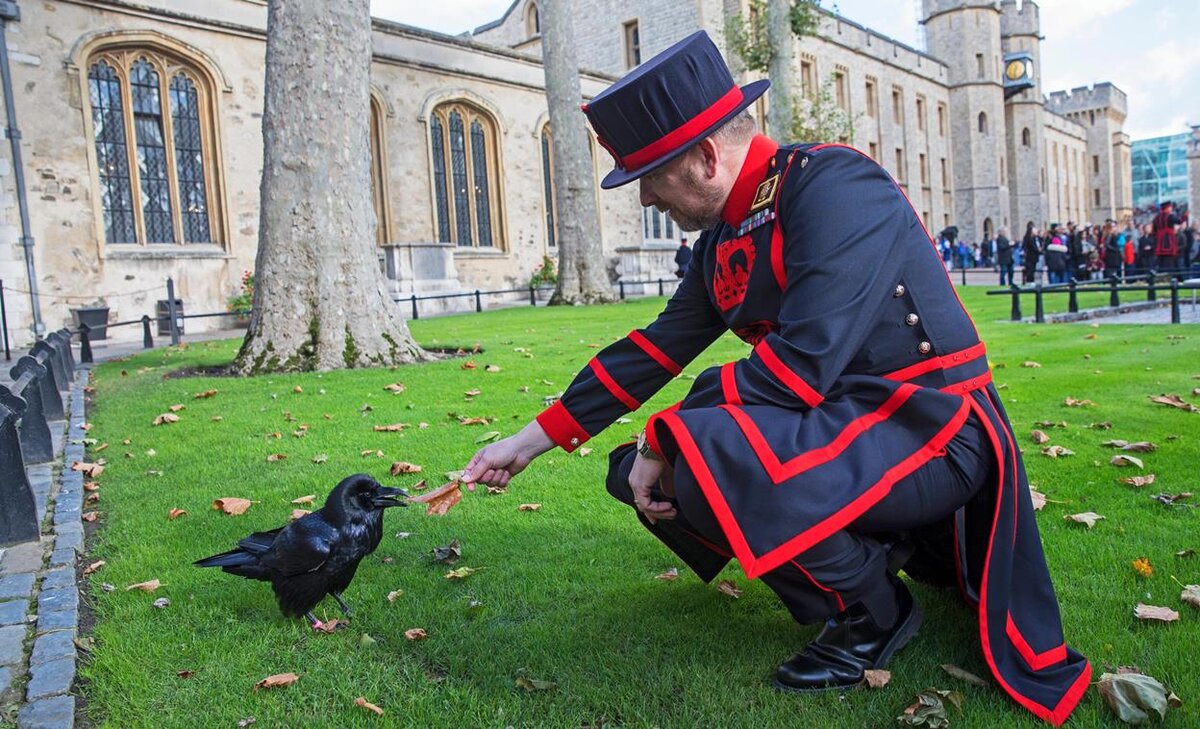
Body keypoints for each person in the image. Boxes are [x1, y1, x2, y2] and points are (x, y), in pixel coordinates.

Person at [462, 31, 1088, 726]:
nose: (644, 196)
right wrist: (525, 443)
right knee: (646, 472)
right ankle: (867, 561)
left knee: (701, 454)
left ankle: (875, 610)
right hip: (845, 428)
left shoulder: (836, 184)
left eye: (649, 175)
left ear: (704, 157)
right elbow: (650, 349)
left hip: (933, 428)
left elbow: (801, 363)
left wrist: (663, 436)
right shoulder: (722, 238)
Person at [1153, 201, 1181, 271]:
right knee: (1169, 262)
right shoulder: (1169, 216)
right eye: (1170, 207)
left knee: (1161, 262)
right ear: (1168, 208)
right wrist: (1179, 213)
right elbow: (1179, 221)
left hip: (1159, 242)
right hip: (1168, 241)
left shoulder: (1156, 218)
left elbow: (1154, 231)